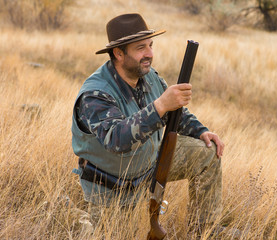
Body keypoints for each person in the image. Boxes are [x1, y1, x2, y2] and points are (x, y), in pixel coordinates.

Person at [71, 13, 238, 238]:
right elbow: (116, 140)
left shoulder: (148, 77)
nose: (149, 54)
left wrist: (201, 131)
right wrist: (160, 106)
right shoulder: (96, 93)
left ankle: (205, 230)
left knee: (207, 154)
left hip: (149, 164)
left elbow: (175, 112)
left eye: (150, 45)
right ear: (119, 53)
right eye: (141, 48)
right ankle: (72, 217)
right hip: (113, 186)